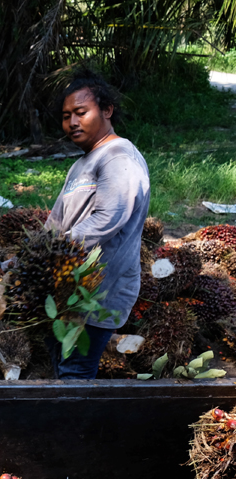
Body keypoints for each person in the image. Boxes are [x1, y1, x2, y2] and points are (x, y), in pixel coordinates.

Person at [44, 68, 150, 379]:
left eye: (81, 112)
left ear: (106, 110)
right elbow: (57, 220)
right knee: (62, 371)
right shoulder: (82, 163)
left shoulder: (118, 157)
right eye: (66, 116)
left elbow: (108, 218)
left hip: (98, 294)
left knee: (74, 374)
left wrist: (54, 248)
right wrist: (29, 255)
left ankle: (75, 414)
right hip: (67, 291)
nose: (72, 122)